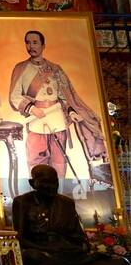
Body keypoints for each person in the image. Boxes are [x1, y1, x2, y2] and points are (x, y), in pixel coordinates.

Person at [8, 29, 110, 184]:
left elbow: (66, 97)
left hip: (57, 118)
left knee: (59, 159)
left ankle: (59, 192)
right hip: (36, 119)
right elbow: (14, 96)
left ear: (43, 45)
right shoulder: (21, 68)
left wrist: (71, 112)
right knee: (36, 159)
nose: (30, 46)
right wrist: (31, 108)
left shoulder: (55, 69)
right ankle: (39, 193)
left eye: (35, 42)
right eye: (27, 42)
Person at [12, 164, 130, 265]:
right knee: (31, 257)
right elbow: (20, 238)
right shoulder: (22, 202)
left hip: (68, 254)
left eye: (55, 182)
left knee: (122, 264)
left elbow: (78, 237)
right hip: (42, 253)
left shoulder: (66, 203)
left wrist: (82, 246)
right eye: (46, 182)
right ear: (32, 183)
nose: (52, 186)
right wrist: (47, 249)